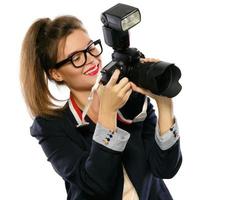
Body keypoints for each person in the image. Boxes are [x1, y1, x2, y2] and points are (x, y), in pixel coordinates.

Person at [20, 15, 182, 200]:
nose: (91, 59)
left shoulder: (131, 98)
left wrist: (164, 104)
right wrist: (108, 113)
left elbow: (165, 169)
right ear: (56, 74)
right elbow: (96, 183)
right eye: (76, 57)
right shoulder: (50, 126)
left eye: (91, 48)